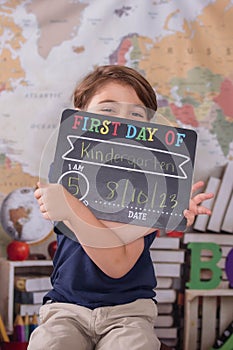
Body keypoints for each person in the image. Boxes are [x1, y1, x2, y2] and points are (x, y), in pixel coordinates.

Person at [28, 65, 214, 350]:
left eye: (136, 115)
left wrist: (165, 209)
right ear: (80, 115)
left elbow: (118, 265)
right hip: (67, 309)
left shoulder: (154, 186)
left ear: (149, 126)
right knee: (49, 344)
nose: (121, 123)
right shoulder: (63, 171)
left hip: (129, 313)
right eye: (108, 110)